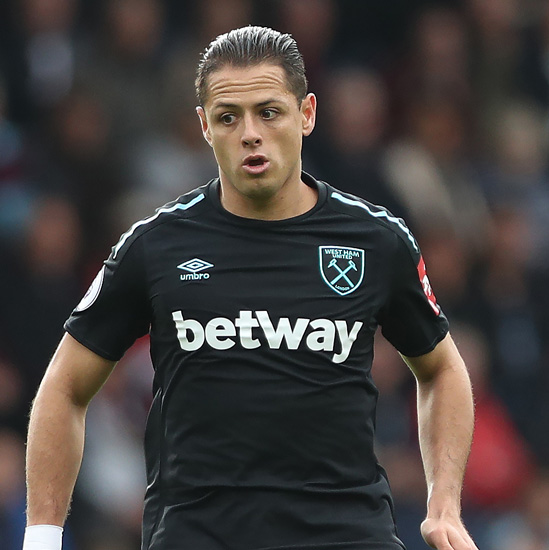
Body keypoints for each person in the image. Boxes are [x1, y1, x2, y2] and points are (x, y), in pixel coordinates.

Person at [24, 26, 478, 550]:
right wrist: (41, 536)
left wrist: (445, 506)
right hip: (198, 535)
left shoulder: (374, 242)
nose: (249, 134)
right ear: (204, 127)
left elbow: (442, 369)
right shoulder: (156, 247)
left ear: (306, 114)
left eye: (268, 111)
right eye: (228, 117)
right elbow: (64, 387)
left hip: (344, 534)